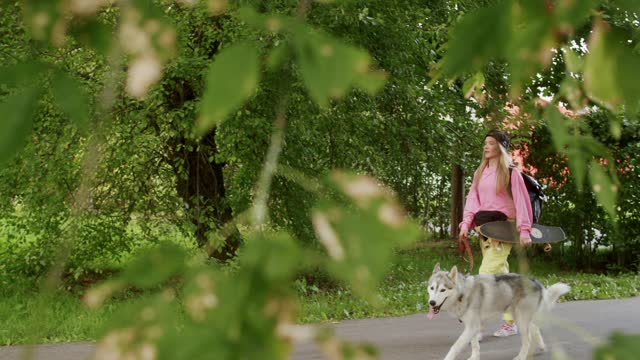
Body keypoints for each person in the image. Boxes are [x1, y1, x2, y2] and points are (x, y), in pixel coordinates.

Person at [458, 129, 533, 337]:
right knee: (502, 278)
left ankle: (477, 325)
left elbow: (521, 202)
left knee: (485, 274)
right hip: (484, 230)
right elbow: (473, 200)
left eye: (491, 143)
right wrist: (466, 224)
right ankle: (511, 322)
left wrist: (525, 230)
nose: (486, 146)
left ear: (500, 147)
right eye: (485, 143)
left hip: (504, 230)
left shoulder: (511, 172)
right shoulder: (480, 172)